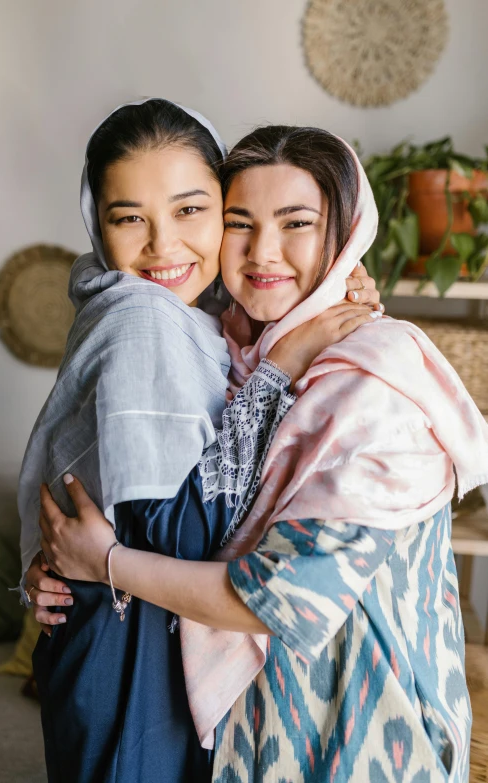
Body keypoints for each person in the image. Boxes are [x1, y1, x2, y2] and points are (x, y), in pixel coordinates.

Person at [37, 124, 488, 782]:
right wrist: (45, 560)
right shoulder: (226, 348)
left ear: (345, 237)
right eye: (240, 222)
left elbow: (279, 599)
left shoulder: (372, 381)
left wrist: (105, 561)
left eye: (297, 223)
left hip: (362, 737)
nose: (262, 252)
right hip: (250, 741)